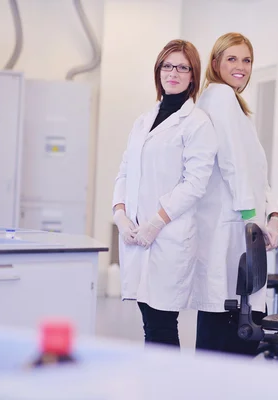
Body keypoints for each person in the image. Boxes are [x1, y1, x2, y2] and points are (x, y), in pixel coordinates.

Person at [112, 39, 217, 347]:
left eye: (182, 67)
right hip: (136, 234)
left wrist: (156, 222)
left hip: (169, 236)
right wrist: (119, 213)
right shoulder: (143, 121)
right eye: (167, 66)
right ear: (158, 71)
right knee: (149, 323)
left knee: (161, 325)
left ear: (193, 76)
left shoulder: (197, 123)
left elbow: (195, 182)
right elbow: (125, 170)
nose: (173, 73)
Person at [191, 32, 278, 356]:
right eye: (232, 58)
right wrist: (253, 221)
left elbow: (255, 174)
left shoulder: (231, 103)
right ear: (215, 63)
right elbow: (234, 165)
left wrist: (273, 216)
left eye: (246, 60)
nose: (241, 66)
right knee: (231, 333)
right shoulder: (220, 97)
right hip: (232, 232)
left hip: (237, 228)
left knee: (224, 329)